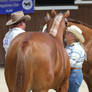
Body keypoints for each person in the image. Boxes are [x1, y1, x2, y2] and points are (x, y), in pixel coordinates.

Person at [64, 25, 86, 92]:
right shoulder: (68, 47)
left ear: (73, 37)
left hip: (74, 74)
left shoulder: (77, 48)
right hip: (71, 73)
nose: (65, 35)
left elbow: (71, 63)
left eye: (68, 33)